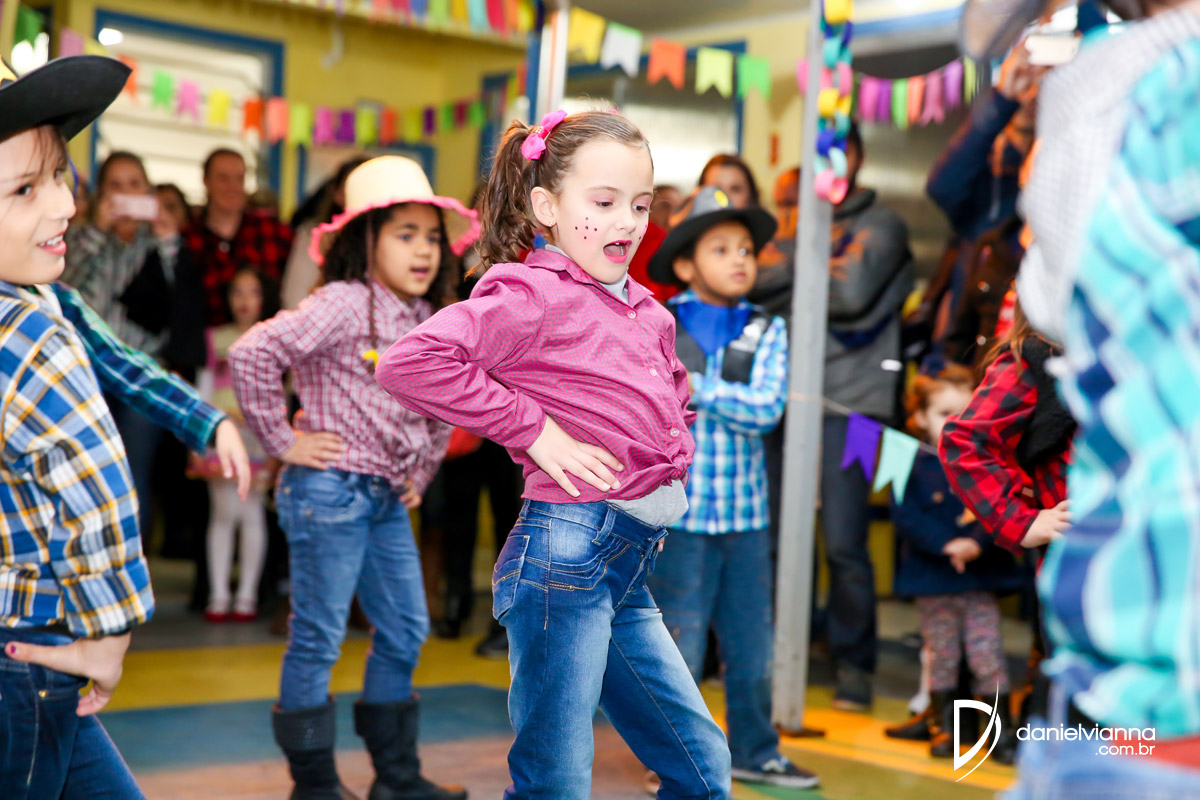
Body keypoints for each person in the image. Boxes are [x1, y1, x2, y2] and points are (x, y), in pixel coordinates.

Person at [376, 110, 732, 799]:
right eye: (603, 203)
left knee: (703, 769)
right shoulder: (531, 293)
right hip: (564, 559)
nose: (626, 222)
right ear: (547, 208)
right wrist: (535, 431)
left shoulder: (649, 311)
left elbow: (669, 400)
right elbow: (411, 363)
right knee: (556, 783)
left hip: (629, 565)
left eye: (640, 205)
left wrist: (669, 449)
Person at [0, 55, 249, 799]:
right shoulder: (28, 332)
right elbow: (96, 479)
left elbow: (119, 358)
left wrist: (202, 418)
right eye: (24, 189)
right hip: (31, 649)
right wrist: (109, 631)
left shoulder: (41, 299)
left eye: (59, 176)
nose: (63, 204)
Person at [972, 0, 1200, 792]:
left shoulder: (1130, 83)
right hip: (1135, 678)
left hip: (1148, 672)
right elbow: (970, 436)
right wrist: (1020, 519)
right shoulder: (1020, 362)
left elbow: (1058, 281)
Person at [229, 155, 472, 800]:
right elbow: (252, 352)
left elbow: (443, 403)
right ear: (366, 240)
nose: (423, 250)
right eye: (404, 234)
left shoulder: (429, 315)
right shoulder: (340, 302)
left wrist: (421, 469)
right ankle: (314, 786)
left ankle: (396, 779)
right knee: (318, 639)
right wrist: (284, 442)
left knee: (406, 629)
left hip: (386, 497)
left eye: (431, 236)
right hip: (329, 491)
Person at [643, 186, 818, 789]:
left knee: (751, 644)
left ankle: (755, 749)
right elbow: (651, 402)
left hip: (746, 519)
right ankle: (672, 758)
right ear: (686, 264)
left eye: (745, 248)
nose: (740, 259)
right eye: (721, 249)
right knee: (677, 640)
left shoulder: (767, 327)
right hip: (678, 517)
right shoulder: (658, 323)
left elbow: (766, 409)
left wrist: (694, 385)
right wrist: (712, 392)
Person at [61, 150, 208, 539]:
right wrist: (97, 230)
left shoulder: (163, 243)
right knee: (81, 477)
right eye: (115, 185)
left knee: (133, 476)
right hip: (83, 373)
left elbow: (184, 307)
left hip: (143, 374)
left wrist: (169, 242)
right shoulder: (77, 235)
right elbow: (62, 289)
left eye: (134, 185)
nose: (125, 194)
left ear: (149, 192)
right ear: (101, 193)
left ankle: (132, 567)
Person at [821, 123, 914, 711]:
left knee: (844, 542)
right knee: (777, 539)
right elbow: (760, 283)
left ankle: (854, 666)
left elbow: (851, 294)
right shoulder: (799, 224)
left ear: (854, 155)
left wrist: (794, 269)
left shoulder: (883, 225)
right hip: (792, 402)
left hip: (858, 411)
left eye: (836, 149)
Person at [892, 366, 1023, 763]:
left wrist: (975, 543)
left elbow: (1001, 504)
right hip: (933, 580)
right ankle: (944, 728)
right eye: (944, 413)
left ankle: (999, 733)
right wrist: (946, 544)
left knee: (987, 655)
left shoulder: (987, 462)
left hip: (977, 580)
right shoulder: (908, 461)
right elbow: (906, 514)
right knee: (941, 655)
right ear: (920, 418)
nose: (954, 423)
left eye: (964, 414)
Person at [193, 267, 281, 622]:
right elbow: (203, 389)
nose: (244, 301)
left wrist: (276, 442)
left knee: (252, 513)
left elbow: (278, 392)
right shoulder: (214, 338)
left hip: (258, 436)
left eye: (253, 292)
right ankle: (219, 595)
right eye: (237, 292)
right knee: (223, 514)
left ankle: (246, 596)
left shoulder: (273, 338)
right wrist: (198, 436)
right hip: (221, 434)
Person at [185, 147, 293, 326]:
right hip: (206, 338)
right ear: (206, 181)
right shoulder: (188, 238)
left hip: (264, 338)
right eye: (223, 178)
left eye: (239, 179)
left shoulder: (272, 230)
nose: (232, 187)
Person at [281, 155, 369, 310]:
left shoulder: (386, 239)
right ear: (338, 194)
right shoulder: (316, 237)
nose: (362, 196)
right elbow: (295, 296)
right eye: (351, 189)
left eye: (368, 188)